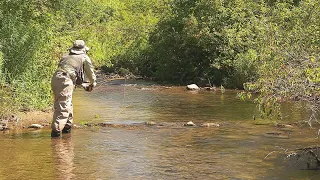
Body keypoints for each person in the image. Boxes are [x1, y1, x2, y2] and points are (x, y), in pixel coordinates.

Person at [51, 40, 96, 137]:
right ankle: (56, 135)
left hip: (56, 79)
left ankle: (67, 130)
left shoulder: (65, 57)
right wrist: (92, 84)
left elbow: (71, 74)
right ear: (84, 50)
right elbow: (90, 73)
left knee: (67, 103)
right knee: (63, 106)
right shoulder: (84, 57)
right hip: (65, 81)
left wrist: (84, 85)